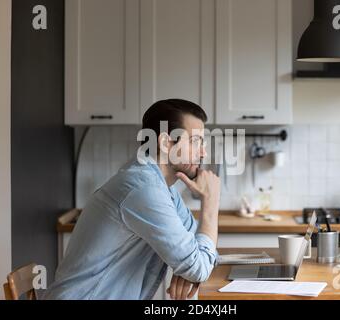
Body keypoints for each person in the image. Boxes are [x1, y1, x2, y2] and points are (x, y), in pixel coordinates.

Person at [43, 99, 221, 300]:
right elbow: (199, 263)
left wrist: (191, 267)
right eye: (195, 142)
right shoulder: (144, 188)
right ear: (165, 143)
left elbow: (200, 248)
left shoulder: (163, 188)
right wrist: (211, 202)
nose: (203, 152)